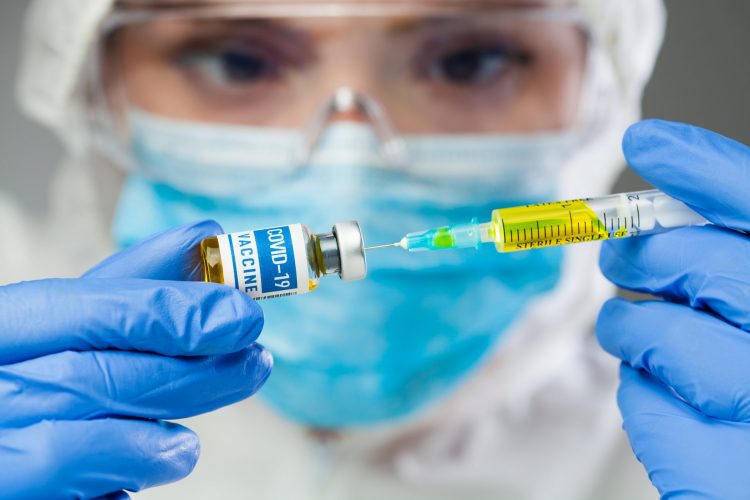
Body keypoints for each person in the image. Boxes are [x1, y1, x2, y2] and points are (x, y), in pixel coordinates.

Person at [2, 0, 749, 498]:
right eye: (237, 61)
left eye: (469, 61)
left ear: (605, 85)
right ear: (84, 83)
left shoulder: (702, 437)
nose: (349, 164)